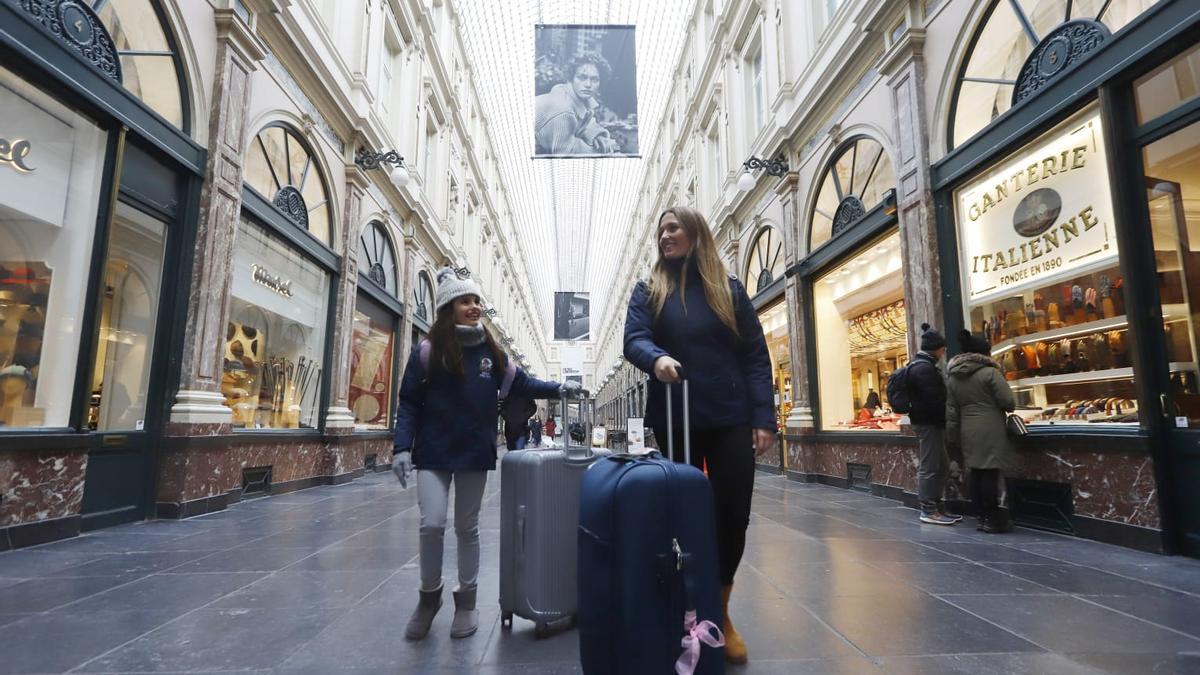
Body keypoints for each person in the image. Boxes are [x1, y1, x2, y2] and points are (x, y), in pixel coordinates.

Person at [392, 267, 582, 641]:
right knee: (431, 524)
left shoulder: (491, 352)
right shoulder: (428, 351)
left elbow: (523, 383)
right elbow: (409, 401)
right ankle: (429, 598)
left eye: (477, 300)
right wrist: (401, 447)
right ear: (450, 307)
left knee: (467, 527)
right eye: (466, 300)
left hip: (473, 451)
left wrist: (560, 388)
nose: (475, 306)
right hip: (432, 451)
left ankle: (467, 601)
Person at [623, 206, 774, 665]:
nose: (665, 235)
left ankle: (721, 611)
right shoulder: (649, 290)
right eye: (660, 229)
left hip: (729, 416)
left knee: (733, 513)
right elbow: (633, 337)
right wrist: (656, 358)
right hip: (677, 415)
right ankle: (687, 606)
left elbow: (754, 354)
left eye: (673, 228)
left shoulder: (728, 290)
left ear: (695, 233)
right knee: (684, 512)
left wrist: (763, 418)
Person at [946, 330, 1016, 534]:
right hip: (990, 427)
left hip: (967, 429)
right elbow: (1008, 402)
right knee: (989, 472)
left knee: (976, 471)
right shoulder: (990, 373)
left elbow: (951, 411)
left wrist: (952, 438)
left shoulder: (953, 377)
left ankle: (981, 517)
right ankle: (994, 519)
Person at [909, 323, 962, 526]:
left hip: (932, 423)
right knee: (930, 466)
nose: (944, 351)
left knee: (940, 466)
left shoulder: (925, 366)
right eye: (942, 348)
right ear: (935, 349)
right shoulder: (924, 369)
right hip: (929, 424)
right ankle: (928, 509)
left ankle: (937, 507)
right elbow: (933, 400)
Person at [534, 52, 619, 155]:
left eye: (594, 79)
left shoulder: (574, 96)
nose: (588, 84)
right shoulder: (562, 109)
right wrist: (602, 151)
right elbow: (566, 153)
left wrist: (597, 136)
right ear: (571, 78)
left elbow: (587, 123)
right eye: (582, 77)